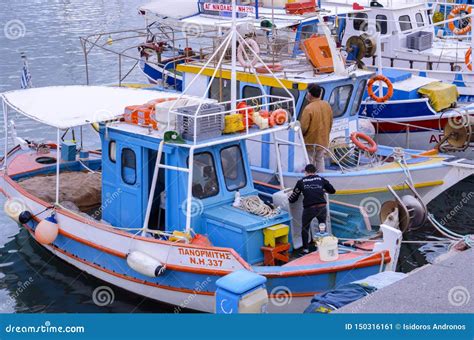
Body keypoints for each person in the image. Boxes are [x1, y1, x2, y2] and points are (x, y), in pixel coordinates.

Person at [288, 164, 336, 255]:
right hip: (322, 206)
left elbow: (293, 198)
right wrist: (322, 190)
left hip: (309, 208)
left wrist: (288, 200)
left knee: (305, 228)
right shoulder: (321, 179)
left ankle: (305, 249)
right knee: (322, 226)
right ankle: (322, 246)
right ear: (315, 171)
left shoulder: (301, 182)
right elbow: (332, 190)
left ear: (305, 172)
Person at [300, 83, 333, 172]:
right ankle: (321, 178)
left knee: (309, 161)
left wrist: (300, 137)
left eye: (307, 93)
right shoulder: (327, 105)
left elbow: (303, 128)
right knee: (320, 160)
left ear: (310, 94)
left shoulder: (308, 109)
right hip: (323, 140)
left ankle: (310, 180)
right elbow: (330, 123)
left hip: (311, 142)